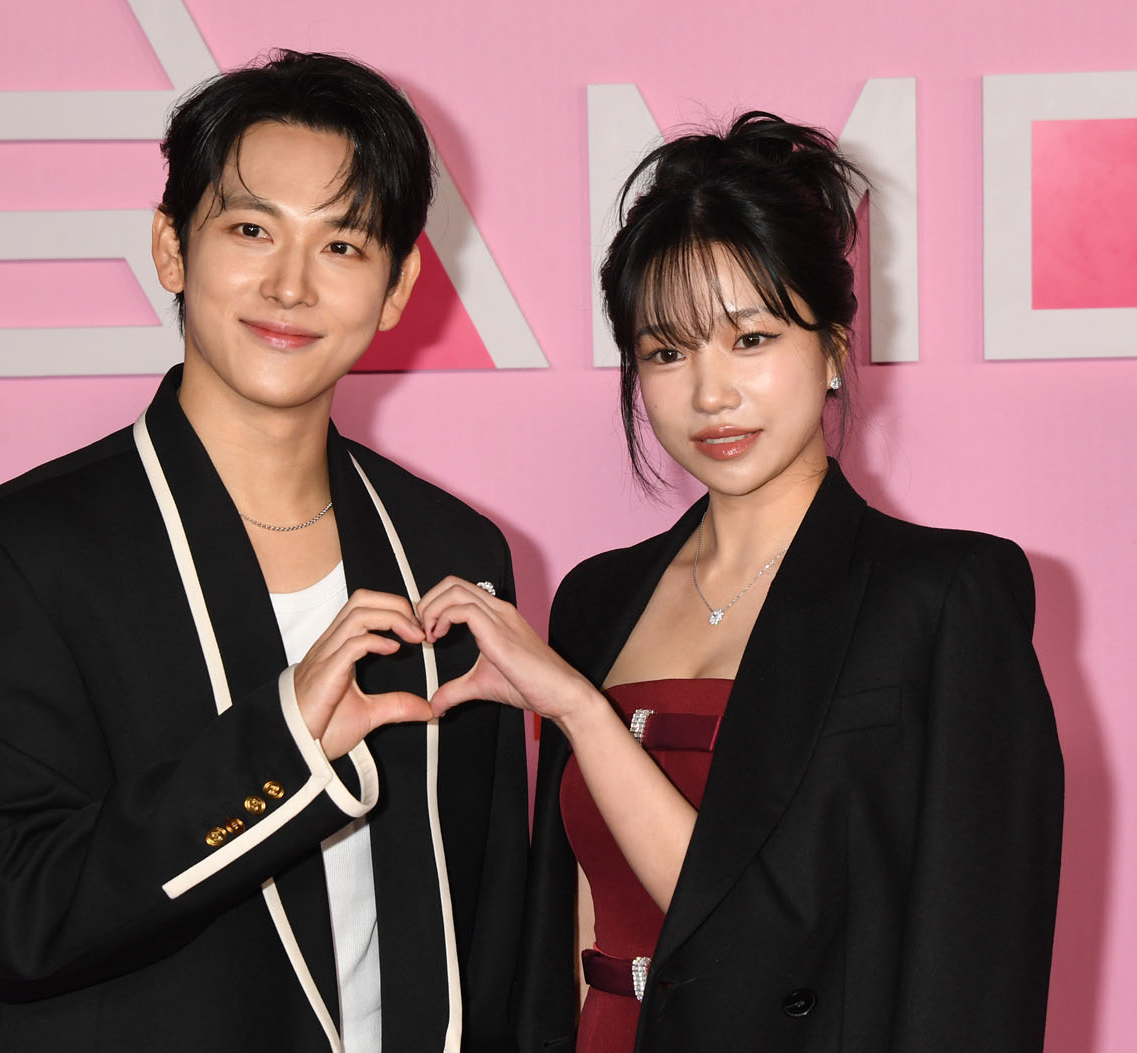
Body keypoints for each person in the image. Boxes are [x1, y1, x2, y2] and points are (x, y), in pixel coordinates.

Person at [0, 50, 526, 1052]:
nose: (290, 285)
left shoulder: (446, 551)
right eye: (251, 229)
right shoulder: (8, 562)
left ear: (398, 286)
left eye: (342, 245)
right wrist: (280, 747)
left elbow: (490, 918)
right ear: (172, 247)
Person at [417, 112, 1063, 1051]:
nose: (710, 394)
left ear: (832, 346)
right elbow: (571, 921)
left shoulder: (943, 597)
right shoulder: (597, 601)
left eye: (751, 339)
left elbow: (967, 973)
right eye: (666, 352)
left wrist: (585, 713)